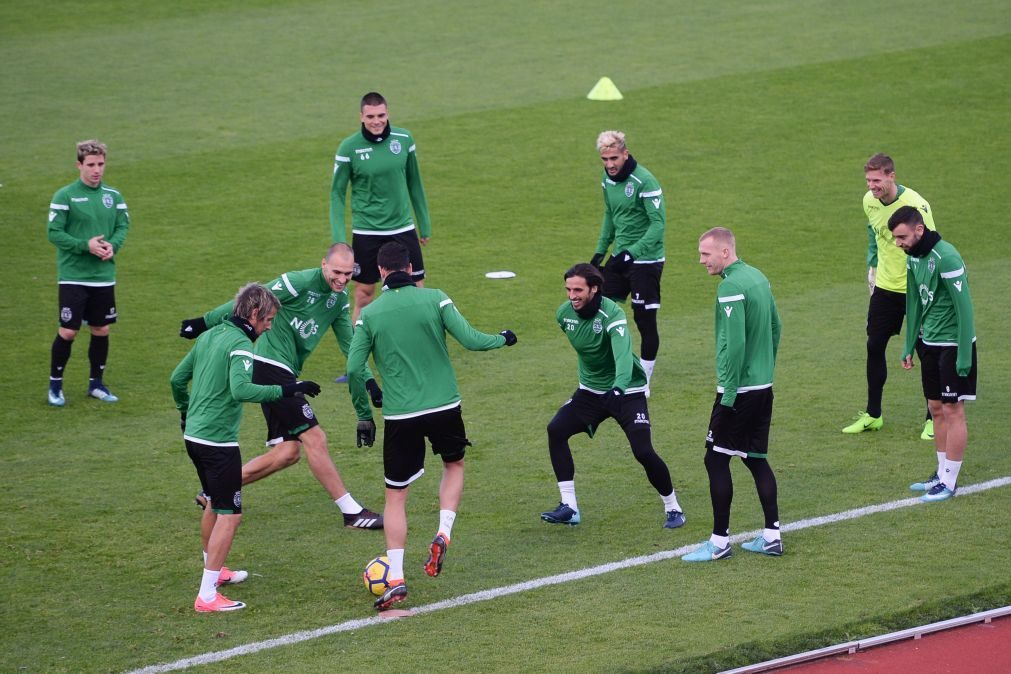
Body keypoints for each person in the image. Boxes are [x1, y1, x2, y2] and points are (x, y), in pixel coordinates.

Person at [346, 241, 516, 610]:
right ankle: (443, 532)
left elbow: (353, 368)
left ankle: (396, 577)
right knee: (453, 464)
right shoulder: (436, 298)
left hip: (400, 415)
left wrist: (365, 410)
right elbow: (471, 341)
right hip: (445, 406)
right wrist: (502, 338)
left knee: (396, 496)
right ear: (409, 270)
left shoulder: (370, 314)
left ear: (380, 273)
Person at [178, 243, 385, 529]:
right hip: (267, 365)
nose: (342, 279)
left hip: (283, 372)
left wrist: (371, 383)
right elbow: (249, 303)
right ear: (323, 264)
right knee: (316, 438)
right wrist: (203, 323)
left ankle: (214, 490)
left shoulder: (338, 302)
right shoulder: (298, 282)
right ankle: (352, 512)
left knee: (287, 454)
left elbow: (352, 348)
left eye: (348, 274)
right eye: (337, 272)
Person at [170, 283, 322, 612]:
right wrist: (289, 390)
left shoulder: (209, 336)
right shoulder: (240, 343)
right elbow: (241, 390)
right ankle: (207, 595)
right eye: (267, 320)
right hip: (218, 442)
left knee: (214, 501)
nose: (269, 327)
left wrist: (185, 412)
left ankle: (215, 567)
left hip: (194, 437)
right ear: (253, 314)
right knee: (230, 515)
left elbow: (176, 379)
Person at [541, 263, 685, 530]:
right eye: (568, 290)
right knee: (556, 430)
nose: (572, 296)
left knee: (643, 451)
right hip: (590, 392)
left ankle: (673, 506)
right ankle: (569, 507)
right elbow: (589, 354)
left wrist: (618, 387)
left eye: (578, 290)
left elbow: (622, 354)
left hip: (627, 391)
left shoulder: (612, 314)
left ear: (594, 289)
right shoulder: (564, 315)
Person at [683, 228, 782, 562]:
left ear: (724, 252)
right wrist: (765, 368)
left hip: (738, 390)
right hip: (762, 385)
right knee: (755, 459)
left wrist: (728, 394)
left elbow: (735, 343)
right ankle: (772, 535)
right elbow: (776, 327)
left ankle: (719, 543)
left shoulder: (731, 286)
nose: (701, 261)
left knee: (715, 458)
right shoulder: (758, 277)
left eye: (705, 254)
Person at [842, 153, 936, 439]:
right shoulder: (868, 201)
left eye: (878, 180)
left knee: (926, 351)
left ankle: (933, 418)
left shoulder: (916, 205)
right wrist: (873, 268)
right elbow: (876, 234)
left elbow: (932, 245)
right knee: (874, 345)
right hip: (885, 287)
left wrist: (929, 289)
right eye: (869, 180)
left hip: (916, 289)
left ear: (892, 176)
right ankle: (873, 415)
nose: (872, 186)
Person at [889, 206, 976, 503]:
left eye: (902, 237)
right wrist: (909, 343)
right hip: (929, 342)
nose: (898, 243)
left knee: (954, 410)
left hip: (953, 344)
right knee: (936, 407)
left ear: (919, 230)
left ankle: (949, 482)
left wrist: (965, 353)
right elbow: (914, 301)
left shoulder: (946, 256)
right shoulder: (913, 257)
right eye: (895, 238)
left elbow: (965, 307)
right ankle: (941, 474)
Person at [330, 91, 432, 324]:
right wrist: (339, 240)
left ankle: (419, 342)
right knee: (364, 295)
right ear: (361, 117)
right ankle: (357, 351)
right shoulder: (349, 148)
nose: (376, 121)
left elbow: (415, 182)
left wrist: (424, 224)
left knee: (416, 290)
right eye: (371, 116)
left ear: (388, 114)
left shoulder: (404, 139)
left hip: (402, 228)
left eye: (381, 115)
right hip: (367, 231)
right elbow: (336, 194)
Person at [46, 140, 130, 406]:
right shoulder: (65, 196)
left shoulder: (113, 197)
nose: (97, 170)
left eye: (101, 164)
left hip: (103, 277)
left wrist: (111, 247)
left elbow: (122, 227)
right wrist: (86, 246)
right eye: (91, 165)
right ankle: (55, 386)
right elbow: (54, 233)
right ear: (79, 165)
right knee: (68, 331)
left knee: (101, 328)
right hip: (73, 276)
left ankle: (96, 384)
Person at [590, 130, 666, 383]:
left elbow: (658, 226)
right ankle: (613, 367)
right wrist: (601, 250)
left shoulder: (645, 181)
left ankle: (644, 378)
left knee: (644, 319)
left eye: (614, 158)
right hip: (620, 256)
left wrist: (631, 253)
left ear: (625, 154)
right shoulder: (607, 179)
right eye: (605, 159)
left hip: (646, 260)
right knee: (602, 309)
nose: (610, 165)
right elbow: (610, 214)